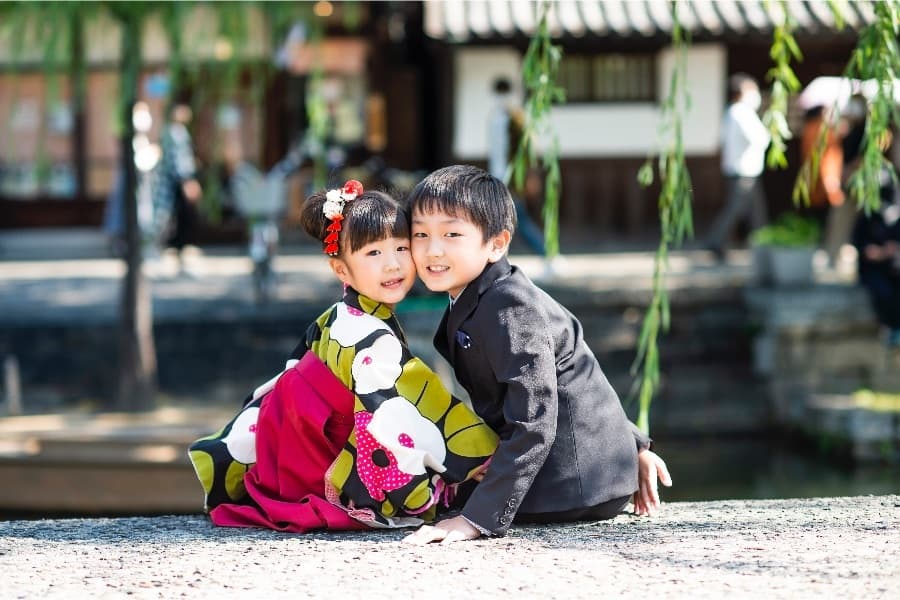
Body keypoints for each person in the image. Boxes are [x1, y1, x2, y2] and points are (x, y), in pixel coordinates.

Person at [188, 180, 498, 532]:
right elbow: (392, 420)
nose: (393, 265)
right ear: (341, 269)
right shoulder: (369, 336)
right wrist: (467, 464)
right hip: (322, 463)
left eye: (401, 247)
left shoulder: (339, 316)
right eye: (373, 254)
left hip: (292, 459)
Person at [403, 165, 672, 545]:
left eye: (451, 234)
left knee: (417, 492)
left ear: (497, 243)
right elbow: (572, 375)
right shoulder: (485, 294)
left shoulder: (510, 306)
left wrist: (476, 520)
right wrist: (634, 447)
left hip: (573, 485)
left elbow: (535, 416)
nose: (433, 250)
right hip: (583, 471)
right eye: (420, 234)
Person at [705, 73, 771, 261]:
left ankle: (761, 243)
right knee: (736, 209)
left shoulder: (730, 112)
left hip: (738, 168)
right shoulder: (742, 113)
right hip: (744, 170)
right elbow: (760, 139)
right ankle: (716, 242)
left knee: (754, 211)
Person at [488, 77, 546, 256]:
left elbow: (527, 151)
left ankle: (546, 253)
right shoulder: (494, 118)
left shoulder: (517, 119)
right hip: (497, 176)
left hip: (513, 177)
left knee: (517, 218)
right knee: (506, 220)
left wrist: (529, 176)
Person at [851, 150, 900, 347]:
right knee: (884, 291)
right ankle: (890, 328)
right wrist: (882, 253)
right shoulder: (868, 219)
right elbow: (864, 250)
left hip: (894, 268)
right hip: (873, 270)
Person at [153, 100, 202, 272]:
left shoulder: (174, 131)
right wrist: (187, 180)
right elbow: (177, 161)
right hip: (176, 183)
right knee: (177, 217)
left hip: (175, 182)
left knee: (177, 217)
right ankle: (174, 250)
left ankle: (177, 251)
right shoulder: (174, 132)